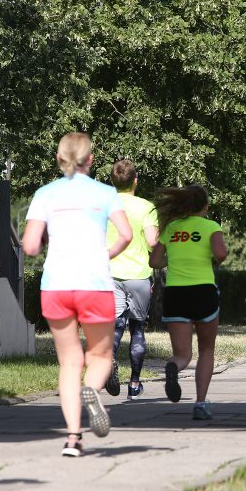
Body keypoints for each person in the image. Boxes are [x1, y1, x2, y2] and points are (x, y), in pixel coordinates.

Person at [23, 132, 132, 457]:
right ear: (91, 160)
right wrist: (105, 254)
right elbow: (125, 235)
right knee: (99, 357)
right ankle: (92, 391)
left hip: (56, 285)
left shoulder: (45, 194)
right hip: (94, 283)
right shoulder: (106, 193)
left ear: (59, 160)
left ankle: (72, 438)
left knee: (69, 362)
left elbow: (29, 246)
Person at [149, 185, 228, 420]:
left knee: (182, 354)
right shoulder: (211, 227)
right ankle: (201, 403)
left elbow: (154, 261)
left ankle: (173, 366)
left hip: (175, 292)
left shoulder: (172, 227)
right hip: (203, 291)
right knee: (206, 349)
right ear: (205, 206)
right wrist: (213, 257)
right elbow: (221, 254)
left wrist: (174, 257)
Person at [105, 159, 159, 400]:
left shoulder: (103, 207)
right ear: (135, 179)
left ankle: (109, 363)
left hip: (110, 273)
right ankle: (135, 383)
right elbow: (152, 242)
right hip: (139, 275)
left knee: (115, 325)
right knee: (137, 328)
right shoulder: (146, 208)